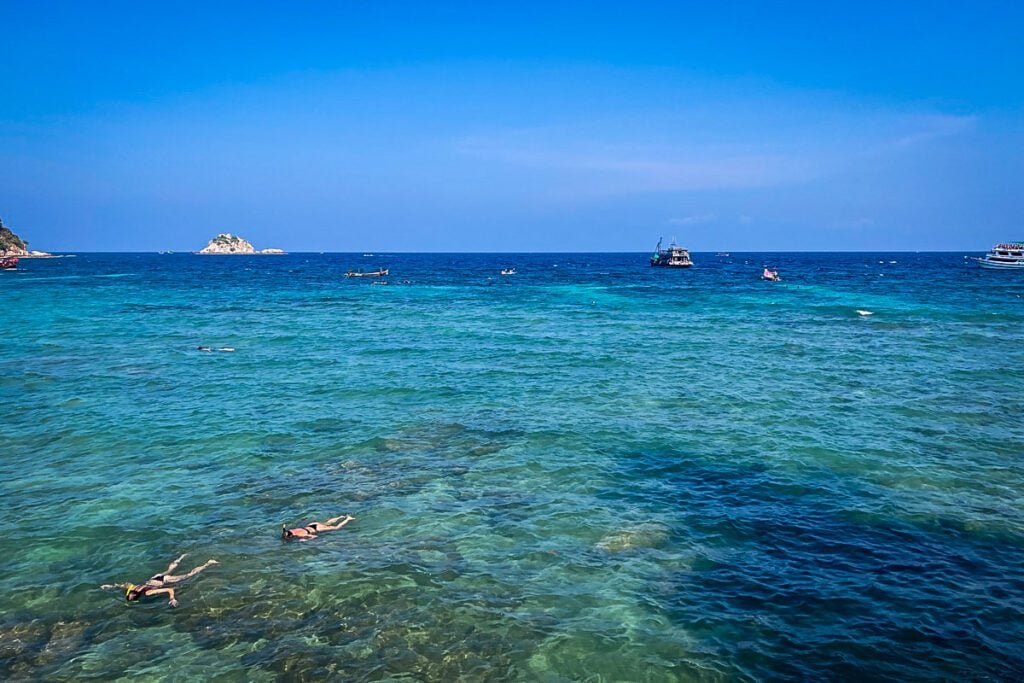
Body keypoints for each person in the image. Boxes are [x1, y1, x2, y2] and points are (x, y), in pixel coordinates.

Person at [101, 554, 218, 607]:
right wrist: (111, 586)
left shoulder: (148, 593)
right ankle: (181, 557)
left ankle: (207, 563)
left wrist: (172, 598)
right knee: (170, 569)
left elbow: (169, 589)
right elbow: (123, 585)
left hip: (164, 581)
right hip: (154, 578)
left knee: (189, 575)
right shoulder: (133, 587)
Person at [282, 514, 355, 540]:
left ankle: (348, 519)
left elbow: (314, 537)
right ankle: (339, 517)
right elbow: (284, 530)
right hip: (312, 524)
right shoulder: (291, 530)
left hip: (317, 529)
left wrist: (306, 539)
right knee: (327, 523)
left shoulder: (300, 535)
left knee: (336, 528)